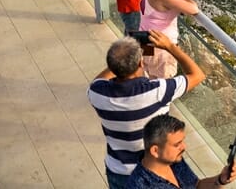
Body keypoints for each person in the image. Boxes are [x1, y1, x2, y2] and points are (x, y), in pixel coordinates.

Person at [88, 32, 206, 188]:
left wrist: (121, 60)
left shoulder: (97, 93)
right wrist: (170, 47)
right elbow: (197, 75)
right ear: (140, 64)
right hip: (152, 170)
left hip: (117, 171)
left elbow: (100, 79)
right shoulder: (158, 92)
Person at [127, 114, 236, 189]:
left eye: (182, 141)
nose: (183, 147)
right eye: (177, 144)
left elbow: (196, 185)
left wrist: (220, 180)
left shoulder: (174, 161)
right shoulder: (139, 185)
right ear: (155, 151)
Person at [140, 0, 200, 78]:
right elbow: (193, 9)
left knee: (148, 79)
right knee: (162, 89)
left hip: (144, 39)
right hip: (161, 47)